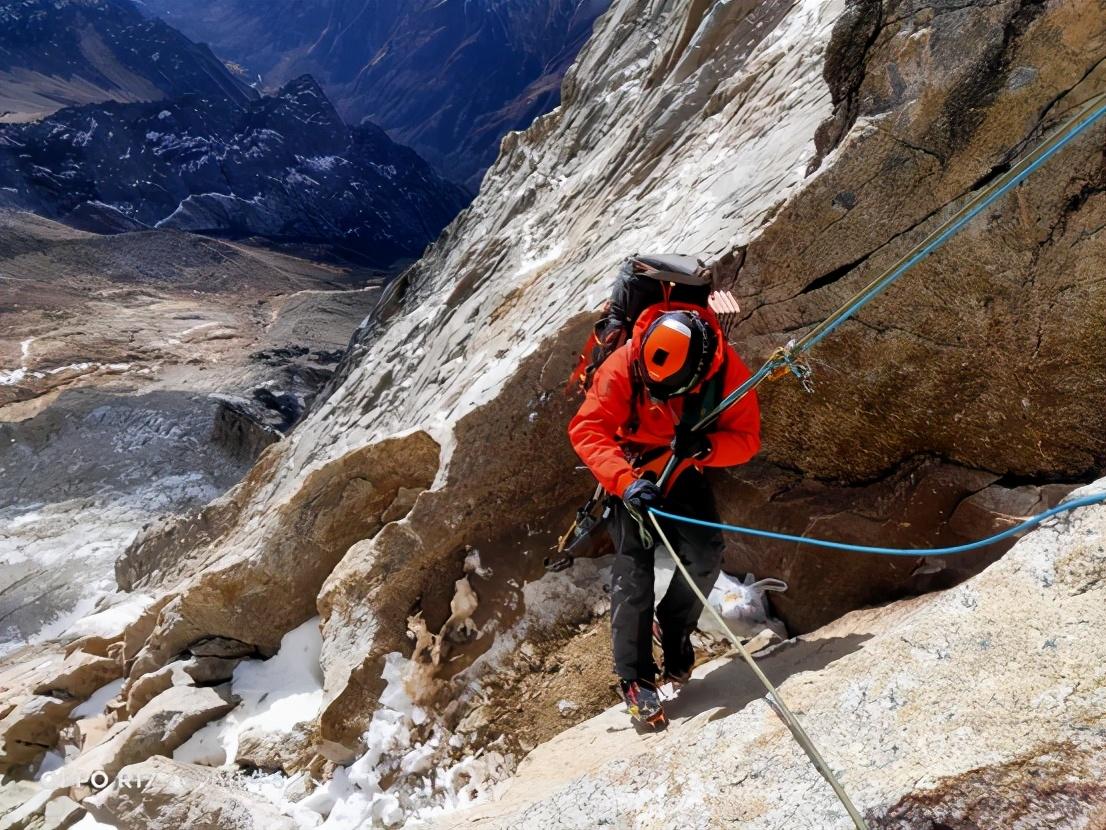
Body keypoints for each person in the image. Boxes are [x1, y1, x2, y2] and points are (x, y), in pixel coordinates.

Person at [567, 303, 761, 726]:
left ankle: (674, 630)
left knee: (706, 555)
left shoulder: (728, 373)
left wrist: (708, 449)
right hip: (633, 472)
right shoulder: (626, 362)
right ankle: (635, 677)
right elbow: (588, 428)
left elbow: (746, 439)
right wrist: (623, 481)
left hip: (682, 467)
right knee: (632, 571)